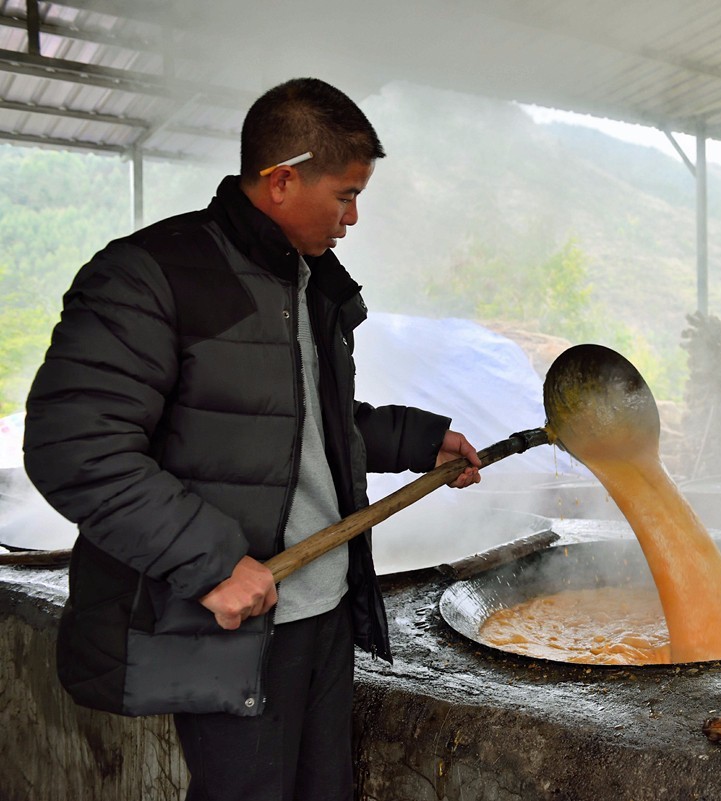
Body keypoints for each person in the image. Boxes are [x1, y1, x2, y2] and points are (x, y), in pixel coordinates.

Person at [22, 77, 481, 800]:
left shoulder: (308, 281)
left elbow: (302, 425)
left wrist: (419, 441)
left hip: (321, 606)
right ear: (281, 180)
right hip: (235, 620)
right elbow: (75, 445)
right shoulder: (151, 275)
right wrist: (210, 563)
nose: (353, 217)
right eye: (344, 195)